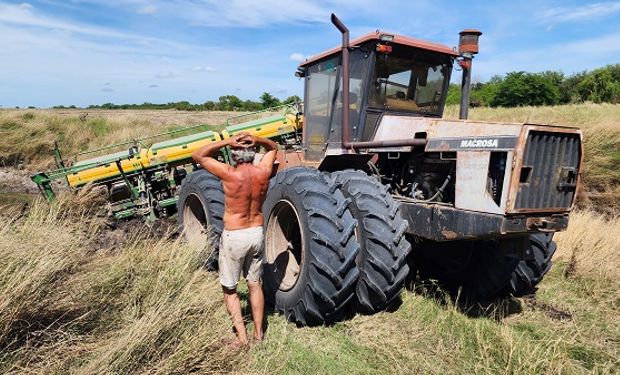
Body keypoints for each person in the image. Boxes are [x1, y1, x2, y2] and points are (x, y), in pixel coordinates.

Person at [192, 131, 278, 346]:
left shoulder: (229, 174)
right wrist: (257, 140)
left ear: (234, 156)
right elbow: (273, 148)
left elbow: (198, 156)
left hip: (235, 235)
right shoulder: (263, 172)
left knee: (230, 289)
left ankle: (242, 339)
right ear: (253, 154)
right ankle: (259, 336)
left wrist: (226, 141)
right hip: (256, 231)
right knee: (254, 284)